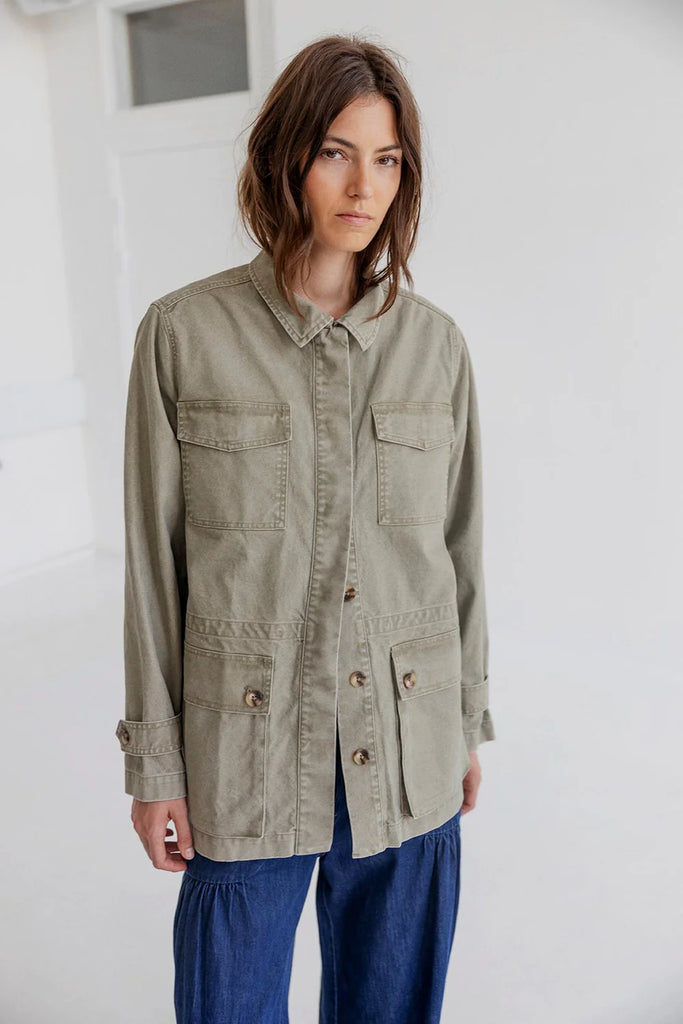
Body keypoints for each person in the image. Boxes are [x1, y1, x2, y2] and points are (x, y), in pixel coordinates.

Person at [114, 32, 495, 1024]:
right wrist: (155, 765)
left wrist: (460, 723)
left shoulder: (435, 347)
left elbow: (458, 553)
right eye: (335, 152)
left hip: (406, 744)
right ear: (284, 158)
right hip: (244, 754)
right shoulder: (183, 334)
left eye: (387, 159)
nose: (363, 186)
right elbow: (154, 569)